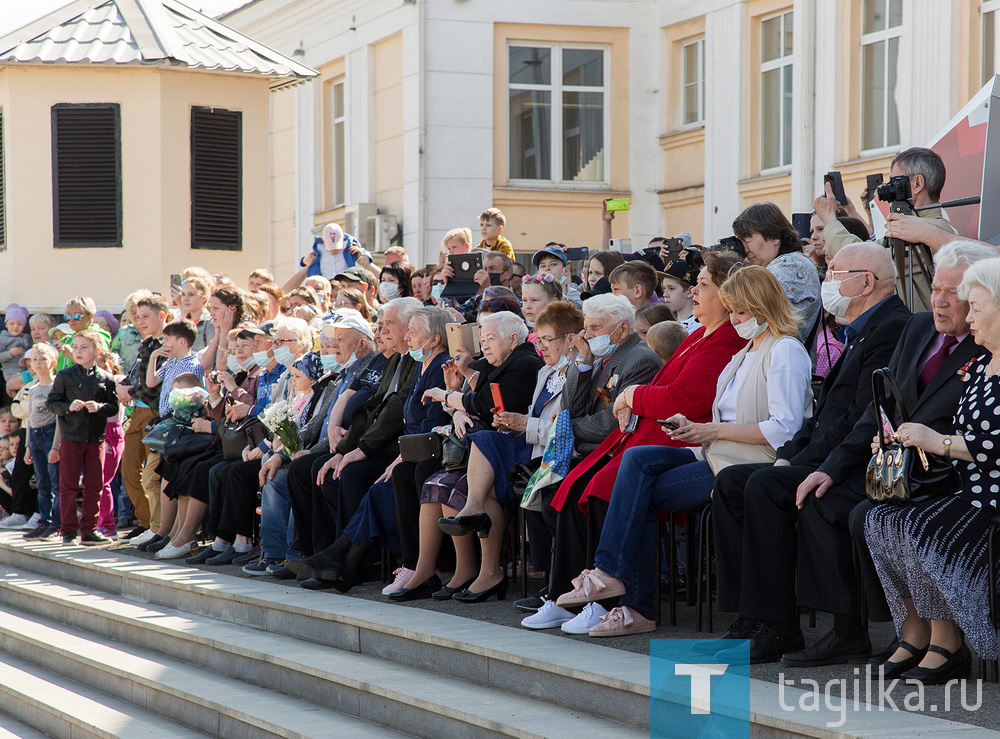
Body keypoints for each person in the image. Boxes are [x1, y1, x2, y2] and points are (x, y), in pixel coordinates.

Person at [708, 241, 989, 666]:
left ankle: (839, 630)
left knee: (815, 497)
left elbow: (963, 421)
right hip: (887, 462)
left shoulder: (974, 340)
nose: (941, 300)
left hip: (940, 472)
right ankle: (758, 619)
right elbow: (876, 407)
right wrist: (815, 461)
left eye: (954, 291)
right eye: (935, 288)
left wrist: (830, 466)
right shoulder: (917, 328)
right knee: (747, 483)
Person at [552, 265, 812, 636]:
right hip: (717, 451)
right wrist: (689, 425)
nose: (735, 319)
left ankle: (626, 594)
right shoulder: (746, 352)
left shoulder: (784, 349)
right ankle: (611, 577)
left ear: (762, 306)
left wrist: (710, 429)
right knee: (637, 461)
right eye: (732, 310)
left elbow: (784, 429)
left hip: (750, 462)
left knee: (638, 492)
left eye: (740, 311)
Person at [543, 255, 745, 616]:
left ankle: (617, 600)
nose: (693, 291)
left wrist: (629, 395)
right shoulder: (700, 333)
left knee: (610, 487)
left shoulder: (724, 339)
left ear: (729, 294)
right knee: (574, 489)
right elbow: (582, 405)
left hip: (681, 438)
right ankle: (576, 593)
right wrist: (585, 365)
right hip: (650, 435)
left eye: (703, 285)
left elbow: (681, 397)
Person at [863, 256, 1000, 683]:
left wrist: (934, 441)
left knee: (920, 528)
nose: (969, 317)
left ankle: (957, 640)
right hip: (965, 490)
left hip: (991, 499)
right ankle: (915, 629)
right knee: (880, 519)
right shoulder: (979, 366)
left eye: (976, 307)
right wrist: (901, 442)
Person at [287, 306, 453, 590]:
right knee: (319, 469)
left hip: (406, 450)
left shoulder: (434, 365)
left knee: (359, 476)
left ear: (433, 338)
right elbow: (374, 408)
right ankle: (326, 556)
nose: (382, 330)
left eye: (393, 324)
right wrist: (343, 451)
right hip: (402, 449)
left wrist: (362, 451)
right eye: (381, 323)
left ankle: (350, 561)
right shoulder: (398, 360)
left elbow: (403, 414)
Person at [387, 310, 544, 601]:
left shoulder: (524, 363)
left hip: (517, 450)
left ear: (513, 338)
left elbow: (484, 404)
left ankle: (488, 572)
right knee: (439, 484)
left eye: (490, 339)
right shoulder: (494, 363)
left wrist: (447, 395)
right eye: (482, 339)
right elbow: (470, 405)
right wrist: (455, 395)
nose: (484, 346)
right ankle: (436, 568)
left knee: (471, 489)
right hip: (486, 450)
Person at [436, 302, 583, 599]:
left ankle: (475, 513)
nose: (540, 346)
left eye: (546, 340)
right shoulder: (546, 371)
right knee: (481, 462)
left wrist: (520, 422)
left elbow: (562, 425)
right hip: (529, 444)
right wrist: (512, 422)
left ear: (569, 339)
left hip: (551, 450)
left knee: (486, 441)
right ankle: (487, 572)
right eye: (538, 340)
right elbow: (509, 410)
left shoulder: (558, 369)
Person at [815, 148, 959, 312]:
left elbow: (860, 260)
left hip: (917, 327)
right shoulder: (923, 226)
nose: (888, 188)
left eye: (894, 181)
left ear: (917, 183)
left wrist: (829, 219)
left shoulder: (927, 230)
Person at [46, 329, 119, 546]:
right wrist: (69, 407)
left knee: (94, 485)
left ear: (97, 351)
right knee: (68, 485)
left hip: (96, 438)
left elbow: (113, 406)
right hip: (71, 437)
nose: (78, 351)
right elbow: (52, 403)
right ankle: (68, 531)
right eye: (76, 347)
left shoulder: (106, 378)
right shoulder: (65, 375)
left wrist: (100, 407)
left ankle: (89, 530)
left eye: (84, 347)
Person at [733, 203, 822, 347]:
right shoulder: (773, 266)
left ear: (775, 237)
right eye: (740, 242)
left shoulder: (792, 264)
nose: (745, 249)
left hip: (785, 362)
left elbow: (750, 305)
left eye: (748, 239)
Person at [118, 294, 169, 543]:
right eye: (137, 317)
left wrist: (129, 391)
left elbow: (155, 388)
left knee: (152, 474)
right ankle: (145, 521)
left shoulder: (166, 346)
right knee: (129, 469)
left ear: (162, 316)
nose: (140, 321)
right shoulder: (146, 344)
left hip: (154, 413)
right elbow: (135, 378)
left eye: (146, 316)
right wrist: (123, 386)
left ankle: (157, 525)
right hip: (136, 413)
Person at [21, 343, 61, 539]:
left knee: (56, 482)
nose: (38, 363)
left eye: (42, 359)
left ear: (53, 362)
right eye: (34, 359)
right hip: (36, 437)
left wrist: (55, 446)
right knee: (42, 483)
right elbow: (30, 419)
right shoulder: (33, 389)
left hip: (50, 435)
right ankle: (43, 521)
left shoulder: (56, 387)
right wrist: (28, 446)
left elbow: (60, 420)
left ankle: (57, 523)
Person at [659, 258, 700, 334]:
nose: (665, 294)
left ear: (689, 292)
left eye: (671, 288)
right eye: (664, 288)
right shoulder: (668, 322)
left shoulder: (697, 328)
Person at [1, 305, 32, 399]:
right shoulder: (3, 338)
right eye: (12, 323)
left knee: (26, 393)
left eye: (19, 324)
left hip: (25, 370)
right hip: (11, 373)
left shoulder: (26, 337)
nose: (15, 327)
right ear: (6, 324)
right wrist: (9, 354)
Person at [520, 274, 563, 340]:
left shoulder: (557, 335)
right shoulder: (528, 330)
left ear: (554, 303)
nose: (527, 306)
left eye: (534, 300)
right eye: (524, 300)